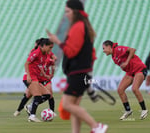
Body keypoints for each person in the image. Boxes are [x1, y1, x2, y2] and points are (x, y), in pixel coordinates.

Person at [47, 0, 108, 133]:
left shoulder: (78, 26)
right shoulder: (83, 26)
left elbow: (71, 51)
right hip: (81, 72)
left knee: (68, 105)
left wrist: (58, 41)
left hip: (77, 72)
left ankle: (97, 126)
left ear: (75, 12)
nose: (66, 14)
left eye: (68, 11)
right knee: (74, 106)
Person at [102, 40, 148, 120]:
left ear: (109, 47)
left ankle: (144, 109)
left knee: (134, 89)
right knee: (120, 90)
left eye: (104, 48)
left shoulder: (118, 49)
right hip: (130, 72)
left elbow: (132, 50)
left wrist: (126, 62)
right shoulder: (113, 56)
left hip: (139, 69)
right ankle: (128, 110)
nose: (103, 51)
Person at [25, 39, 54, 122]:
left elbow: (40, 66)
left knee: (48, 95)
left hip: (36, 78)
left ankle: (31, 107)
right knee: (37, 96)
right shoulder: (36, 52)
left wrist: (45, 75)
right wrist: (28, 76)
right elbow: (26, 63)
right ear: (44, 46)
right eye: (50, 47)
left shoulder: (44, 55)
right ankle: (32, 116)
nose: (50, 50)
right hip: (31, 77)